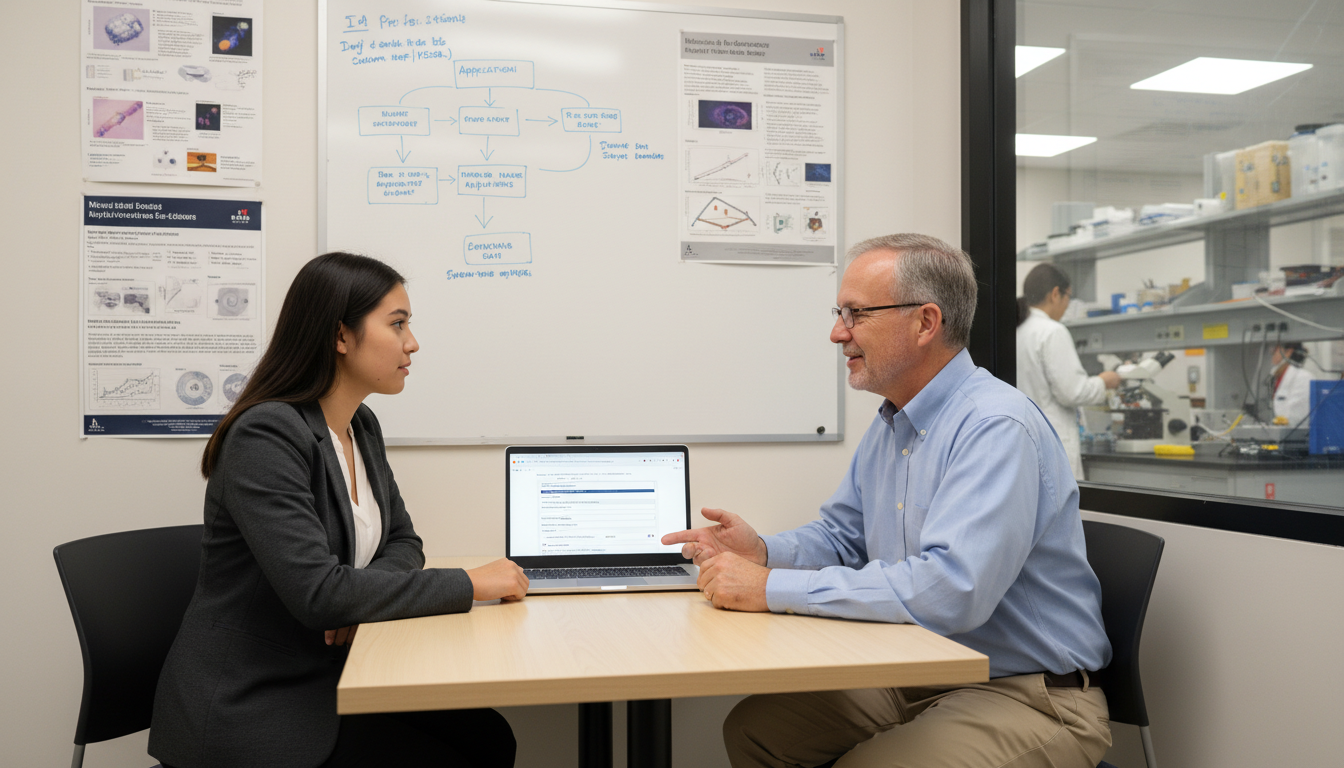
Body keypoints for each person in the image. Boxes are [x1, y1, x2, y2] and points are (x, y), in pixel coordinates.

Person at [663, 234, 1112, 768]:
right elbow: (842, 538)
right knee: (757, 732)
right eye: (839, 313)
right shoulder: (895, 421)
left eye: (856, 314)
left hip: (1028, 693)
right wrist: (761, 551)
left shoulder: (995, 427)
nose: (837, 333)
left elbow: (951, 591)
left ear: (926, 322)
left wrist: (770, 588)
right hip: (923, 670)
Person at [150, 253, 529, 768]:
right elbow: (318, 595)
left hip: (334, 669)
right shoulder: (266, 435)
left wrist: (357, 601)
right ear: (341, 336)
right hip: (256, 696)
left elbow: (403, 543)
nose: (412, 343)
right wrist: (468, 582)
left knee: (489, 737)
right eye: (397, 325)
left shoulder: (360, 424)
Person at [1015, 262, 1120, 478]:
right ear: (1056, 294)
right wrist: (1104, 381)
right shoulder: (1052, 331)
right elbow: (1073, 392)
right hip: (1052, 442)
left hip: (1023, 442)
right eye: (1068, 297)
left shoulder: (1017, 329)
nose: (1067, 305)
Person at [1271, 342, 1315, 426]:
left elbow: (1297, 417)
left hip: (1294, 436)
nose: (1271, 354)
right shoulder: (1277, 378)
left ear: (1288, 352)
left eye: (1274, 350)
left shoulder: (1303, 378)